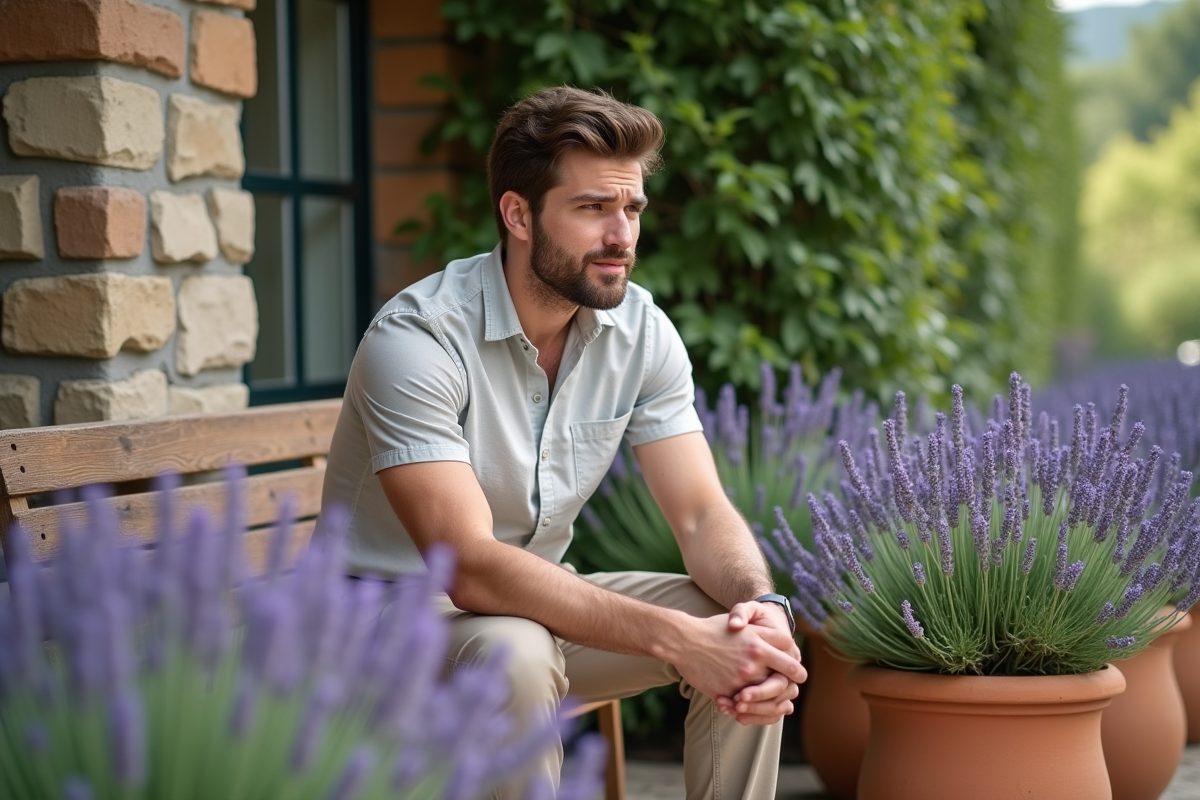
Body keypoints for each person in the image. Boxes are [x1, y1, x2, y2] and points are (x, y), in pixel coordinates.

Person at [321, 86, 806, 799]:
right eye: (592, 209)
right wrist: (672, 639)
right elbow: (473, 569)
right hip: (387, 630)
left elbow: (702, 514)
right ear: (518, 214)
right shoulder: (419, 339)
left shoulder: (639, 331)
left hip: (532, 616)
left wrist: (763, 605)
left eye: (632, 208)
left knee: (744, 637)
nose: (623, 236)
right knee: (516, 652)